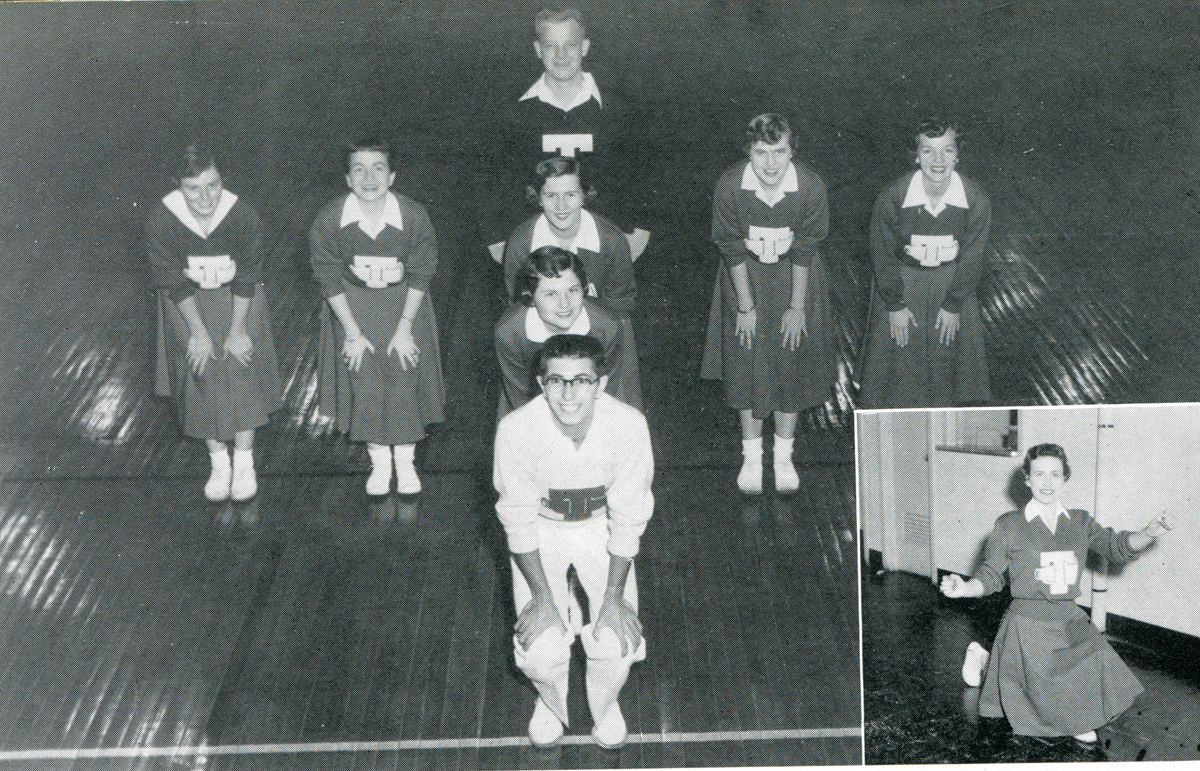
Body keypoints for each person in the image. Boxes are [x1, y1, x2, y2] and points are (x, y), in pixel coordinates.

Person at [941, 443, 1175, 744]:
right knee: (1026, 685)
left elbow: (1116, 547)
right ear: (1027, 479)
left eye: (1055, 474)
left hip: (1068, 618)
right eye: (1039, 474)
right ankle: (983, 661)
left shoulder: (1080, 521)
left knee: (1090, 664)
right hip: (1028, 622)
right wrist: (965, 588)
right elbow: (991, 575)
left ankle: (997, 666)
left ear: (1065, 478)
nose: (1047, 482)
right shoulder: (1008, 525)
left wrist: (1148, 533)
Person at [493, 334, 652, 749]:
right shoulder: (515, 431)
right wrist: (544, 598)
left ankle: (606, 705)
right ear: (541, 383)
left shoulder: (629, 426)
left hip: (601, 531)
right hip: (542, 535)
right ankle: (551, 702)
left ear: (601, 384)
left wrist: (614, 596)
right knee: (541, 646)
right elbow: (519, 522)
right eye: (556, 381)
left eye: (581, 380)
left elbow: (629, 518)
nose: (568, 393)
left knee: (615, 639)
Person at [700, 114, 836, 495]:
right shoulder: (729, 186)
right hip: (744, 276)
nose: (771, 163)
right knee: (746, 358)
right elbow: (729, 246)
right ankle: (751, 456)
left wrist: (797, 307)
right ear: (749, 152)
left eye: (780, 152)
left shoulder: (810, 187)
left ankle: (784, 456)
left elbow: (806, 247)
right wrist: (745, 307)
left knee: (789, 357)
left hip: (797, 276)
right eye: (762, 153)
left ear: (793, 151)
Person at [309, 138, 445, 495]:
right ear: (347, 179)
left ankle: (405, 459)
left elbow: (422, 271)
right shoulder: (330, 219)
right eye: (359, 170)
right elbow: (326, 275)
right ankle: (380, 461)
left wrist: (405, 328)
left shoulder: (413, 215)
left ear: (392, 175)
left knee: (405, 371)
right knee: (363, 376)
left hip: (404, 304)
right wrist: (351, 332)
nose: (369, 178)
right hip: (352, 304)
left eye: (378, 168)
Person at [149, 143, 281, 502]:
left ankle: (244, 461)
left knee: (241, 370)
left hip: (238, 300)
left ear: (223, 180)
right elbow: (171, 280)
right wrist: (198, 333)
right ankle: (218, 462)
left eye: (213, 185)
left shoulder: (243, 216)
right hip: (186, 304)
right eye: (194, 188)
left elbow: (248, 276)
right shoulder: (163, 219)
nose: (206, 197)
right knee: (200, 371)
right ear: (178, 185)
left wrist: (237, 331)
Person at [484, 5, 650, 264]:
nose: (561, 55)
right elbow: (495, 180)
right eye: (551, 46)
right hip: (537, 247)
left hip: (606, 246)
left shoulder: (618, 109)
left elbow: (642, 173)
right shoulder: (514, 114)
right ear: (538, 50)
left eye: (570, 45)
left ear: (584, 47)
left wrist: (640, 231)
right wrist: (498, 239)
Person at [858, 117, 992, 408]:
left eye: (947, 150)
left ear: (958, 155)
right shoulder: (893, 196)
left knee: (949, 371)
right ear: (916, 156)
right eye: (928, 150)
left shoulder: (975, 198)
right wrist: (894, 305)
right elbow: (882, 253)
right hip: (903, 284)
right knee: (895, 376)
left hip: (951, 284)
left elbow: (973, 256)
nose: (938, 159)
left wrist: (954, 304)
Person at [502, 156, 643, 409]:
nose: (561, 206)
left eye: (570, 195)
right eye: (550, 196)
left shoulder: (611, 240)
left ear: (585, 195)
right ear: (538, 197)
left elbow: (620, 308)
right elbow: (520, 305)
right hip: (541, 342)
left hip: (601, 336)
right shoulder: (522, 242)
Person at [494, 245, 635, 416]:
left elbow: (605, 389)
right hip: (536, 400)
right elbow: (520, 394)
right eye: (551, 294)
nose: (565, 304)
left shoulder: (607, 325)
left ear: (584, 290)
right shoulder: (510, 332)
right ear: (530, 297)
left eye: (572, 290)